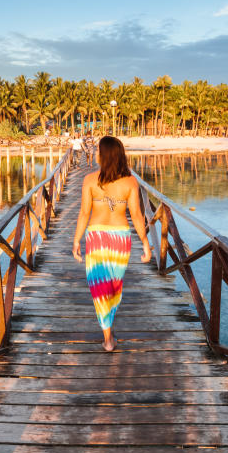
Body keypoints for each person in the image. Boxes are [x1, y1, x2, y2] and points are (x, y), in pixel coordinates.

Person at [72, 137, 152, 351]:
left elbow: (84, 213)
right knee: (114, 287)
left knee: (100, 288)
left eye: (98, 149)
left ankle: (107, 335)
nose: (96, 152)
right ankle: (108, 333)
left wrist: (76, 241)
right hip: (120, 239)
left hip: (96, 238)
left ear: (104, 154)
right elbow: (136, 215)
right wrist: (145, 242)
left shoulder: (89, 180)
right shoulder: (130, 181)